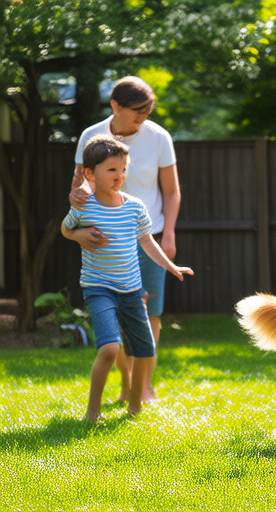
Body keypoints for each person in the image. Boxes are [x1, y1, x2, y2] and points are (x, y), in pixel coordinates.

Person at [61, 135, 193, 421]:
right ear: (89, 172)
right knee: (109, 348)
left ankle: (134, 410)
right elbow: (65, 227)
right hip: (99, 288)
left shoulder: (135, 207)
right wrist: (75, 234)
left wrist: (171, 266)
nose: (119, 176)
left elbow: (147, 242)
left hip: (132, 290)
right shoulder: (84, 206)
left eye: (123, 169)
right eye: (111, 170)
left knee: (145, 351)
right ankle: (92, 413)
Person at [70, 76, 181, 402]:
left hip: (150, 235)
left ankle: (144, 386)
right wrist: (78, 229)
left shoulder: (159, 137)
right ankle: (127, 380)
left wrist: (169, 233)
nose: (143, 116)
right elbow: (79, 190)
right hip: (106, 238)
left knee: (151, 313)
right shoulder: (92, 135)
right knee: (116, 313)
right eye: (137, 111)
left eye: (148, 110)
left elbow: (171, 191)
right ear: (115, 106)